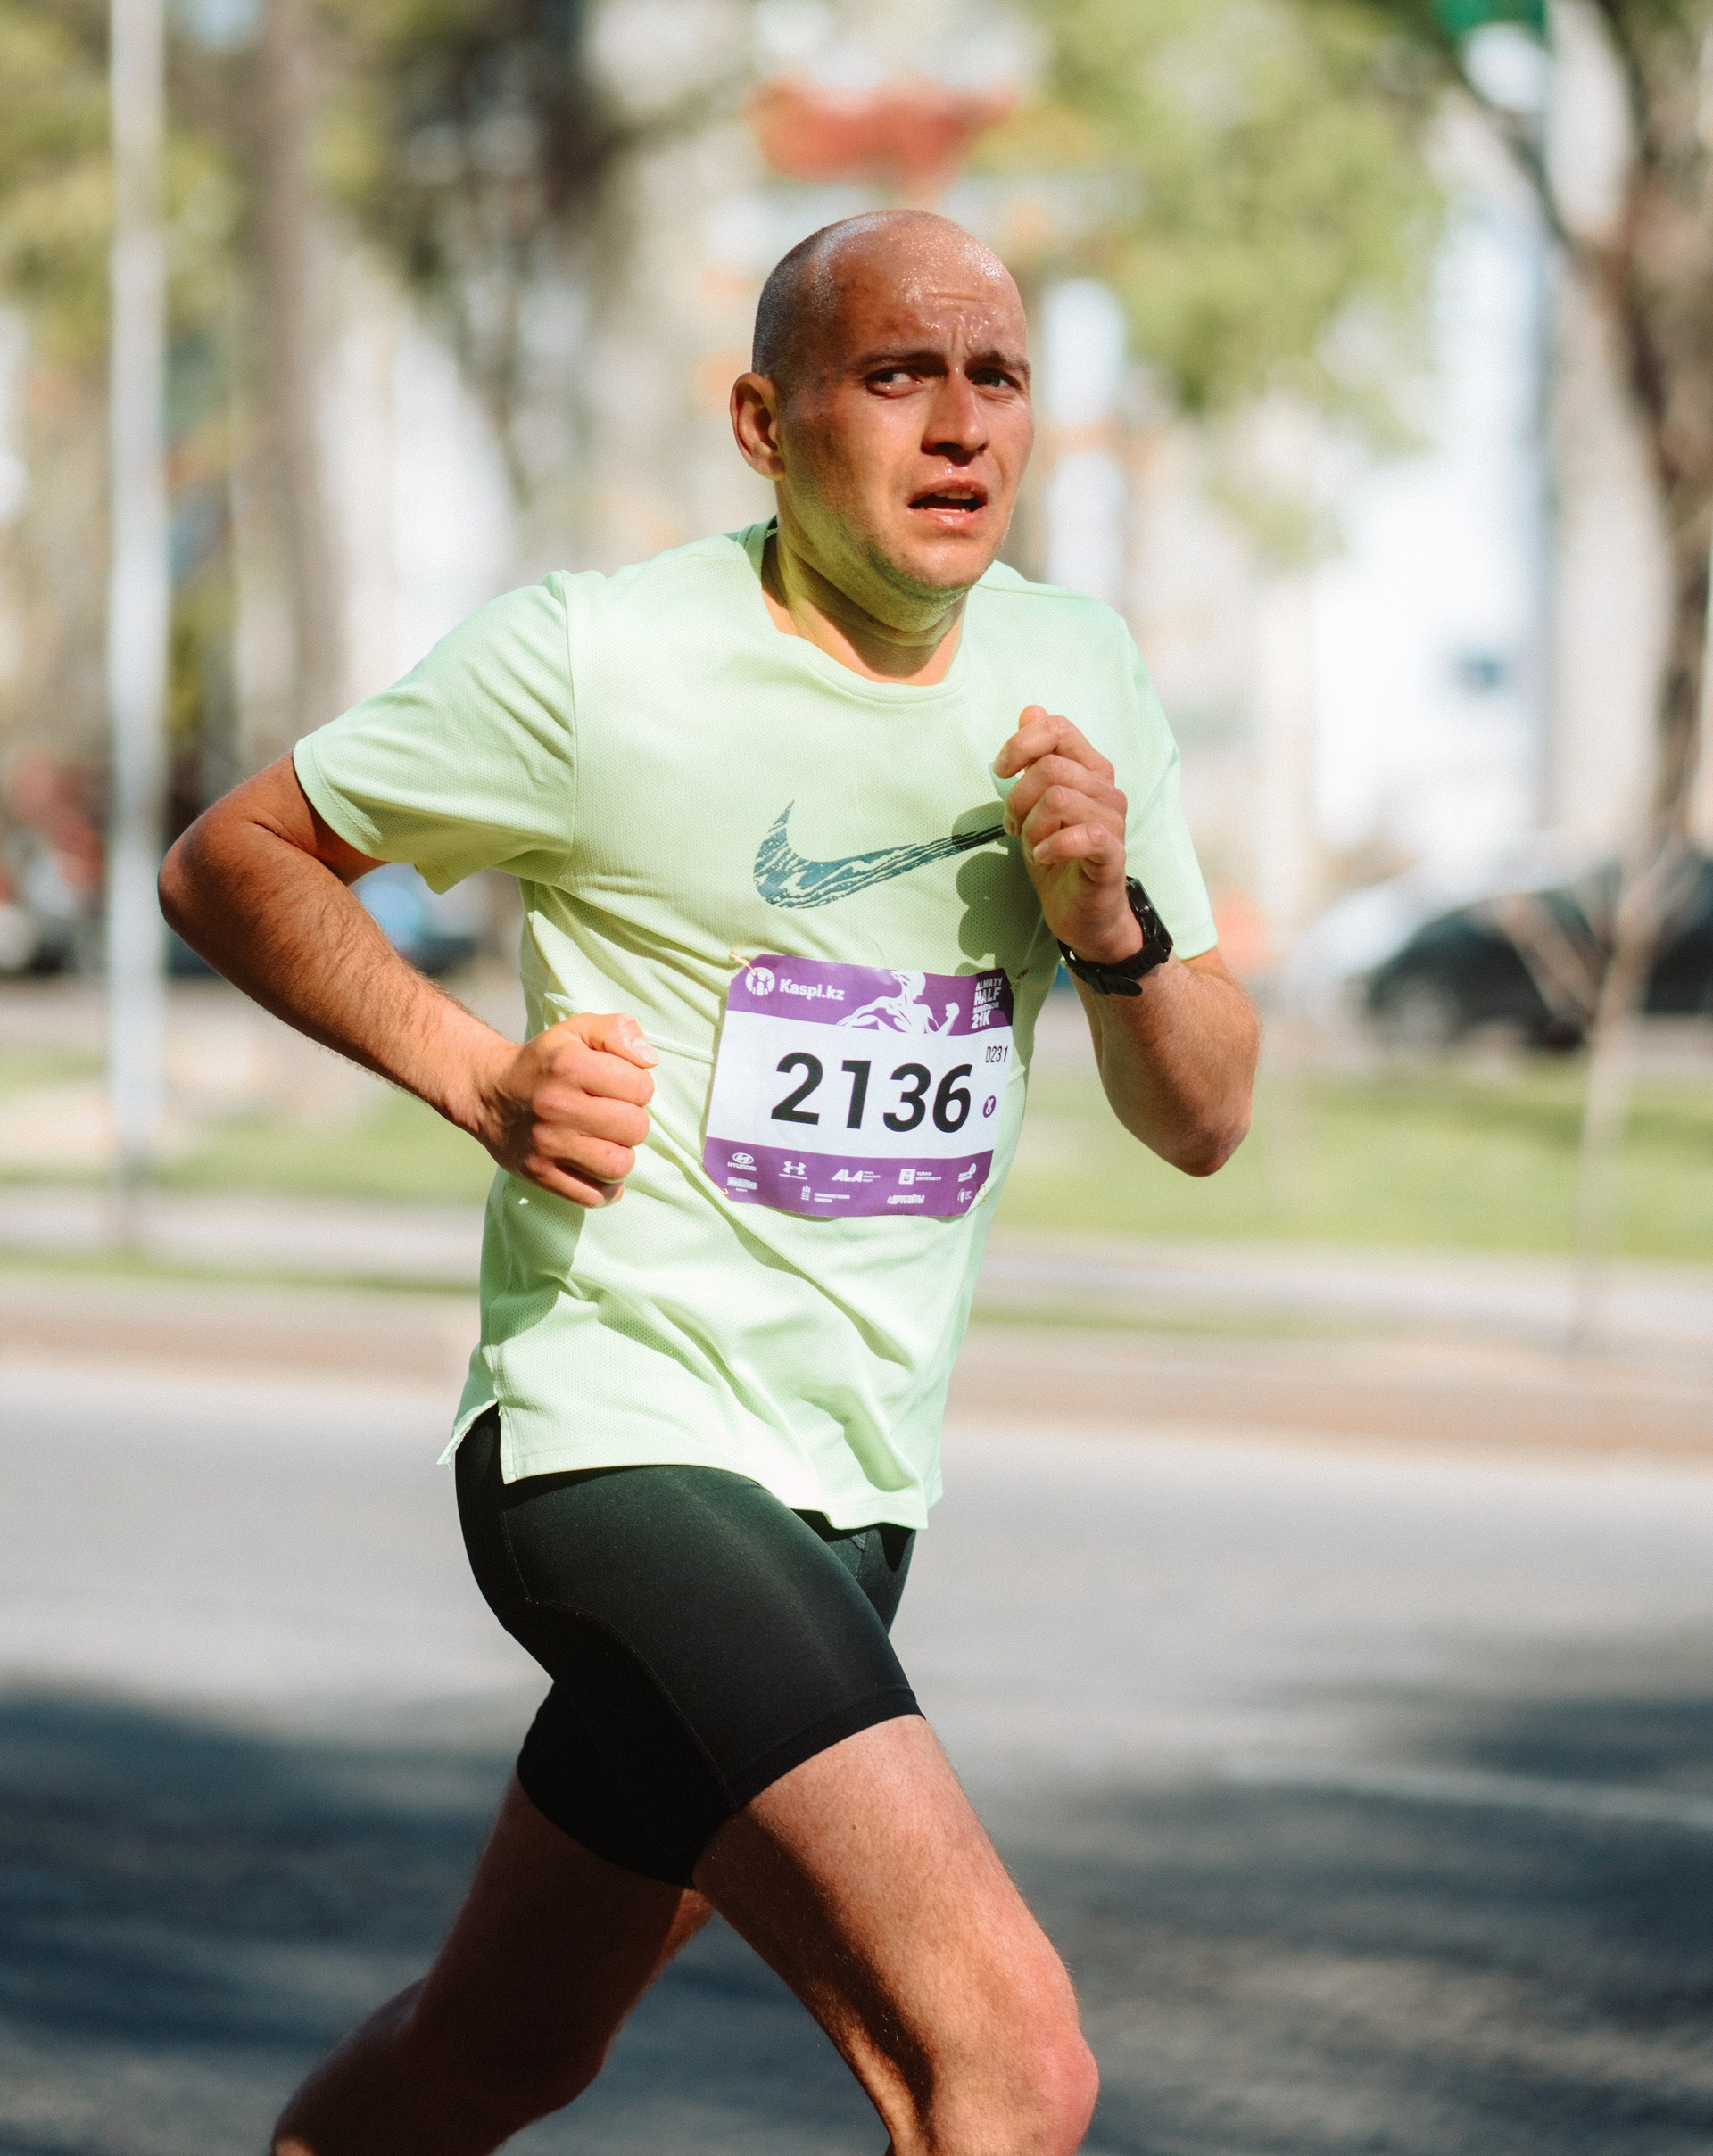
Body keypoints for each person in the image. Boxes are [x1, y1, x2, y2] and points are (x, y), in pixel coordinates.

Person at [161, 207, 1259, 2156]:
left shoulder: (1075, 669)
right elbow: (233, 858)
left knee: (497, 2052)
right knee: (1008, 2060)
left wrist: (1110, 921)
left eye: (997, 378)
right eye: (896, 375)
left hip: (858, 1483)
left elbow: (1205, 1111)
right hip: (617, 1440)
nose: (959, 425)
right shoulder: (600, 658)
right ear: (764, 423)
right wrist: (476, 1075)